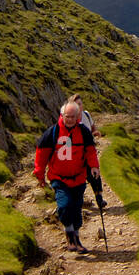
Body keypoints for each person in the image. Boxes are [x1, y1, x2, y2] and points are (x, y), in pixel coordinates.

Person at [34, 101, 100, 253]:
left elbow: (90, 151)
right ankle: (69, 234)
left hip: (78, 177)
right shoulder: (52, 132)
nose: (69, 119)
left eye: (72, 117)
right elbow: (41, 154)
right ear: (61, 116)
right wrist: (40, 174)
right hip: (59, 177)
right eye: (67, 116)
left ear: (77, 117)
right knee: (64, 205)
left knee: (76, 208)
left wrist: (94, 167)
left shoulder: (83, 132)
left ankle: (76, 238)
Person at [68, 94, 107, 210]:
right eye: (76, 104)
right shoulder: (70, 119)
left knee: (94, 174)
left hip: (88, 151)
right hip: (76, 154)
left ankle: (99, 198)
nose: (79, 106)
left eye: (80, 104)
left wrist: (95, 132)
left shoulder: (86, 115)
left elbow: (92, 127)